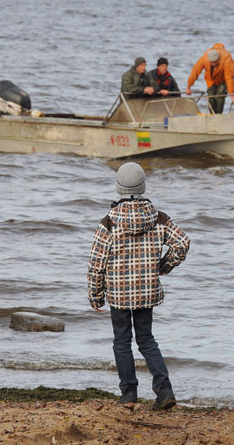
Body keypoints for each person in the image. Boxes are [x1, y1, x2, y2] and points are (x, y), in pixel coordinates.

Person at [87, 162, 191, 410]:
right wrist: (163, 267)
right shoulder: (158, 218)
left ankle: (129, 394)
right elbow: (183, 243)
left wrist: (96, 295)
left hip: (119, 293)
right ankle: (164, 391)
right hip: (147, 291)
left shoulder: (109, 222)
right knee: (146, 340)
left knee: (121, 341)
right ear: (143, 186)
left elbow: (96, 262)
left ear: (118, 187)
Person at [186, 43, 234, 114]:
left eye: (215, 62)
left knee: (220, 96)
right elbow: (195, 72)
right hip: (211, 79)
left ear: (219, 59)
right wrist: (189, 86)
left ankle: (218, 115)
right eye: (211, 63)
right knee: (211, 97)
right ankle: (212, 114)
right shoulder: (204, 58)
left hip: (223, 79)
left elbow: (229, 77)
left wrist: (232, 96)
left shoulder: (227, 58)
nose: (213, 64)